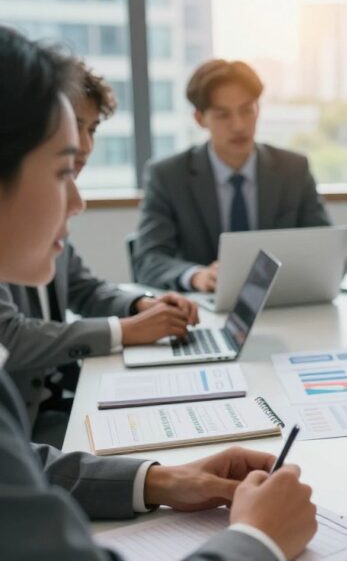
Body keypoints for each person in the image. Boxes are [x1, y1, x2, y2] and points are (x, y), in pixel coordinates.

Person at [0, 25, 317, 561]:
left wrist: (161, 479)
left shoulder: (292, 167)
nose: (77, 203)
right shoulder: (169, 174)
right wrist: (257, 541)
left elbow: (18, 466)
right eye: (61, 171)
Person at [0, 59, 199, 440]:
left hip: (65, 399)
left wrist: (141, 306)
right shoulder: (24, 207)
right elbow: (9, 335)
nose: (86, 145)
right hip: (32, 421)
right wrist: (123, 331)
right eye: (75, 125)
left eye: (91, 129)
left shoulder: (49, 203)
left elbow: (83, 287)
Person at [133, 59, 331, 292]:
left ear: (259, 109)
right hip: (205, 307)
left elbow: (327, 252)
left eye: (247, 110)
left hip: (281, 302)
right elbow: (148, 260)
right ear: (200, 119)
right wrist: (197, 276)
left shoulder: (293, 169)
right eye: (223, 115)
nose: (238, 125)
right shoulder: (168, 176)